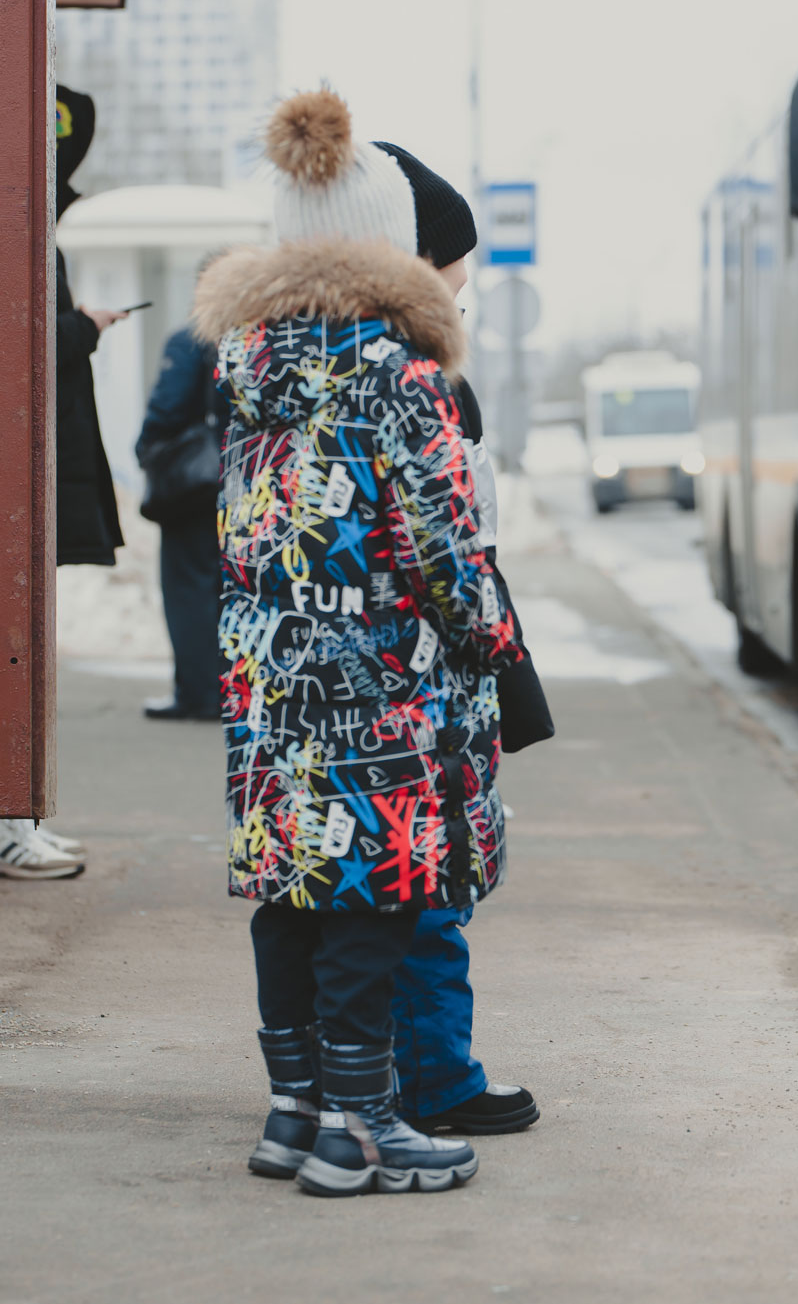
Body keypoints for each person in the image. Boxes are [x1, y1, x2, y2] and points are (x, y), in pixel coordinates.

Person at [193, 89, 527, 1198]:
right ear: (394, 249)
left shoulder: (245, 371)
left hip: (271, 686)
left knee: (294, 886)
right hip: (384, 692)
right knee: (375, 895)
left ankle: (296, 1110)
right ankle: (364, 1123)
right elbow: (444, 554)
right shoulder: (398, 377)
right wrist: (490, 638)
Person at [375, 141, 555, 1137]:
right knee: (427, 895)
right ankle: (435, 1076)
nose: (461, 294)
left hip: (405, 690)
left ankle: (353, 1077)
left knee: (394, 899)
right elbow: (456, 558)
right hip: (421, 691)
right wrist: (490, 645)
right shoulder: (422, 390)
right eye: (451, 274)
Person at [0, 85, 120, 881]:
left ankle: (19, 817)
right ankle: (13, 823)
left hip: (44, 462)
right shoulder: (24, 223)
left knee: (26, 646)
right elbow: (29, 336)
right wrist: (86, 327)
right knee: (18, 647)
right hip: (30, 468)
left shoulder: (35, 219)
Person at [135, 325, 222, 721]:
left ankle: (200, 694)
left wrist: (147, 447)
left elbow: (167, 405)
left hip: (195, 484)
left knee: (188, 587)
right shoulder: (268, 336)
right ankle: (230, 690)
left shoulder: (193, 338)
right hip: (250, 485)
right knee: (228, 588)